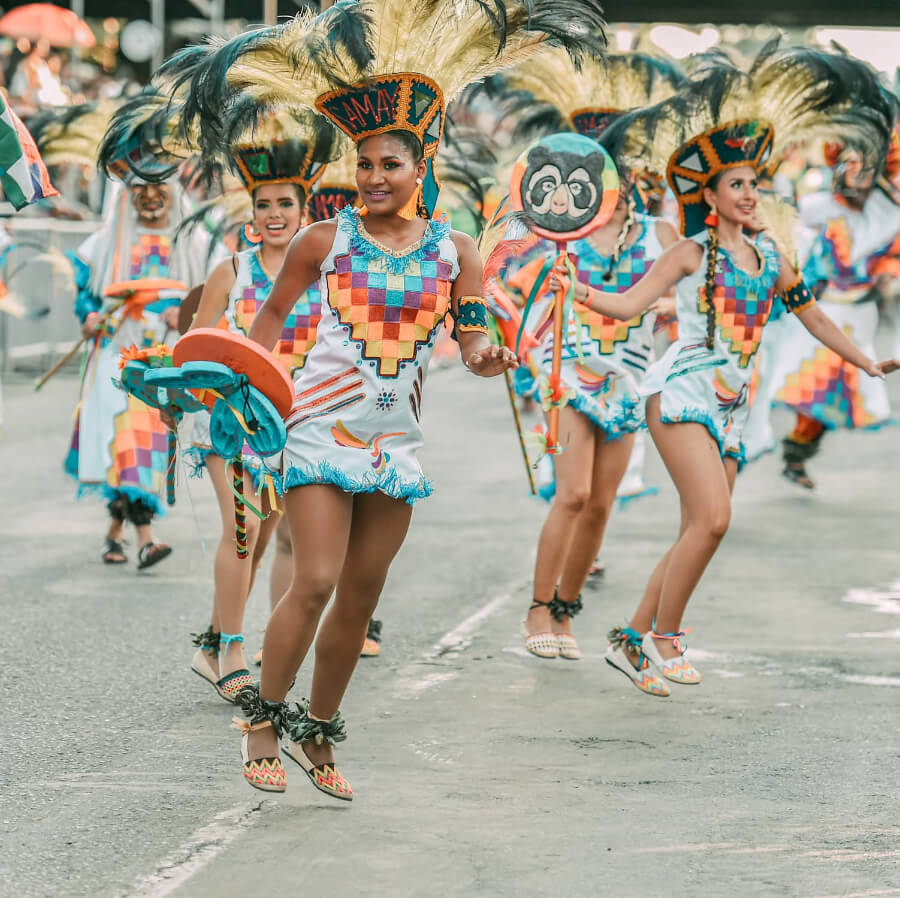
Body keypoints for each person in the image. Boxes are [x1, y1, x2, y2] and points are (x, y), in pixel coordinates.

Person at [166, 0, 606, 797]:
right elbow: (264, 325)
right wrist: (232, 388)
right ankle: (263, 718)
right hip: (320, 431)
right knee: (316, 579)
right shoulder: (321, 239)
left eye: (389, 165)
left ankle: (319, 730)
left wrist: (487, 355)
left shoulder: (456, 251)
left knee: (362, 596)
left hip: (394, 442)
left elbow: (470, 337)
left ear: (421, 163)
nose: (372, 178)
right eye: (364, 164)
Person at [545, 45, 899, 697]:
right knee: (713, 520)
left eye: (753, 184)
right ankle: (666, 637)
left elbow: (816, 318)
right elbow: (626, 304)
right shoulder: (687, 252)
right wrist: (574, 288)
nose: (748, 193)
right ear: (708, 195)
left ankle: (629, 639)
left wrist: (867, 361)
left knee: (696, 529)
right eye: (735, 184)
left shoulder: (770, 257)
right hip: (679, 393)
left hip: (732, 405)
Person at [490, 49, 682, 660]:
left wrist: (674, 318)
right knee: (571, 496)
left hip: (628, 378)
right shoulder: (559, 227)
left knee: (602, 504)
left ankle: (567, 611)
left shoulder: (660, 234)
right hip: (567, 373)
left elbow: (675, 295)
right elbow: (502, 270)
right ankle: (538, 610)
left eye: (623, 171)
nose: (616, 181)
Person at [186, 112, 340, 702]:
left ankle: (221, 643)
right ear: (251, 216)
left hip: (295, 424)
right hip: (233, 424)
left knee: (276, 535)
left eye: (285, 204)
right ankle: (229, 647)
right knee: (243, 532)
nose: (274, 214)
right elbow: (196, 350)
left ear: (305, 212)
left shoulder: (323, 275)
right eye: (264, 205)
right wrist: (207, 394)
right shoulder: (231, 272)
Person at [65, 176, 207, 567]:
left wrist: (188, 314)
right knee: (128, 440)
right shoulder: (107, 242)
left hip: (165, 364)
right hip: (116, 357)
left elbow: (211, 294)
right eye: (140, 189)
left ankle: (115, 535)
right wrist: (90, 315)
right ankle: (146, 538)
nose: (150, 198)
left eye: (159, 188)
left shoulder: (193, 243)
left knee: (136, 445)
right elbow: (86, 290)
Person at [770, 140, 900, 488]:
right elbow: (792, 246)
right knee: (815, 386)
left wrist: (888, 268)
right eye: (850, 163)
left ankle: (796, 454)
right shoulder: (815, 206)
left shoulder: (887, 213)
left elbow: (891, 254)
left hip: (861, 314)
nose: (858, 172)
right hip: (820, 310)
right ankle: (791, 454)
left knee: (838, 395)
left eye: (865, 166)